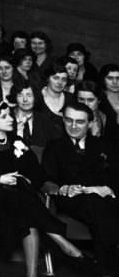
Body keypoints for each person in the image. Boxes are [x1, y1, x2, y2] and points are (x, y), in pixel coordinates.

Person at [0, 100, 88, 277]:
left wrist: (28, 179)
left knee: (25, 211)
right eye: (5, 116)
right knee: (25, 207)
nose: (11, 119)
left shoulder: (17, 141)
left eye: (10, 115)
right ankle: (63, 244)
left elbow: (36, 172)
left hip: (20, 204)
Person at [42, 98, 119, 274]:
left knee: (103, 204)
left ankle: (103, 266)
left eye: (80, 121)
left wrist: (108, 188)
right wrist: (64, 188)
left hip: (103, 198)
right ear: (63, 120)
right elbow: (47, 178)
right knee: (98, 205)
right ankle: (108, 266)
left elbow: (116, 176)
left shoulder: (103, 146)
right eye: (69, 120)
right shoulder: (55, 147)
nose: (73, 126)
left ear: (90, 123)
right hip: (71, 199)